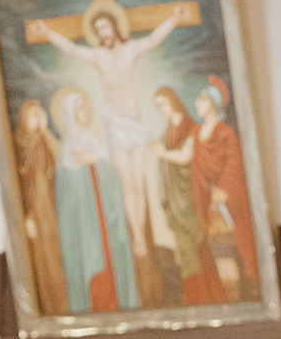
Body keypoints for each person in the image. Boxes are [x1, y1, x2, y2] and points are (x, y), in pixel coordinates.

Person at [28, 0, 191, 260]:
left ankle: (141, 235)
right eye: (98, 29)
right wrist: (47, 33)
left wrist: (173, 19)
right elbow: (71, 49)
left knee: (138, 181)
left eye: (105, 26)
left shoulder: (131, 50)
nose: (103, 32)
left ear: (115, 27)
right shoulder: (97, 56)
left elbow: (153, 39)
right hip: (114, 124)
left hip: (133, 121)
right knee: (127, 183)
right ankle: (138, 237)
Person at [50, 85, 138, 313]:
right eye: (80, 109)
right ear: (69, 115)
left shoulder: (93, 141)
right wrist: (87, 168)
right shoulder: (66, 150)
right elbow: (65, 195)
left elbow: (112, 177)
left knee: (112, 264)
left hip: (104, 219)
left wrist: (96, 162)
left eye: (85, 108)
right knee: (94, 272)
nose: (85, 112)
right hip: (85, 226)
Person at [151, 85, 225, 306]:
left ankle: (209, 295)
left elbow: (187, 157)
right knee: (185, 250)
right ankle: (195, 297)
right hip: (175, 202)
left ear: (173, 102)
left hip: (190, 198)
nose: (160, 110)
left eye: (162, 104)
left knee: (198, 247)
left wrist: (163, 153)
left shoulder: (190, 128)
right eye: (157, 107)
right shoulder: (166, 132)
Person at [190, 77, 259, 297]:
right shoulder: (196, 133)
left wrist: (224, 189)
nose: (196, 103)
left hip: (227, 205)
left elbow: (234, 163)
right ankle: (231, 297)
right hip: (211, 207)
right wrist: (160, 152)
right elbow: (186, 155)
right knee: (221, 255)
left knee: (231, 252)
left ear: (213, 103)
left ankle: (237, 296)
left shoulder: (225, 133)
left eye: (201, 99)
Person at [13, 96, 68, 316]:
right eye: (33, 115)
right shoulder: (18, 144)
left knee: (58, 252)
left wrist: (45, 132)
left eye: (40, 114)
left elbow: (61, 160)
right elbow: (20, 183)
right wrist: (26, 216)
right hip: (35, 211)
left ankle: (64, 300)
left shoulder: (46, 141)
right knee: (42, 257)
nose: (37, 119)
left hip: (53, 206)